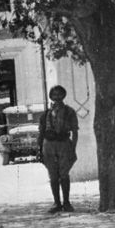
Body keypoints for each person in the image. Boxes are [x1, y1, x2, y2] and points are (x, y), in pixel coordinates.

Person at [38, 85, 78, 214]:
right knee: (53, 174)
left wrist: (73, 148)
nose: (57, 97)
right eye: (54, 95)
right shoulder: (45, 114)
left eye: (59, 94)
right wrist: (39, 149)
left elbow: (75, 131)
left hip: (64, 144)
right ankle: (57, 202)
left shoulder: (69, 111)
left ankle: (66, 202)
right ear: (51, 96)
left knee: (64, 173)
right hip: (48, 145)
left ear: (63, 95)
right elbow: (41, 132)